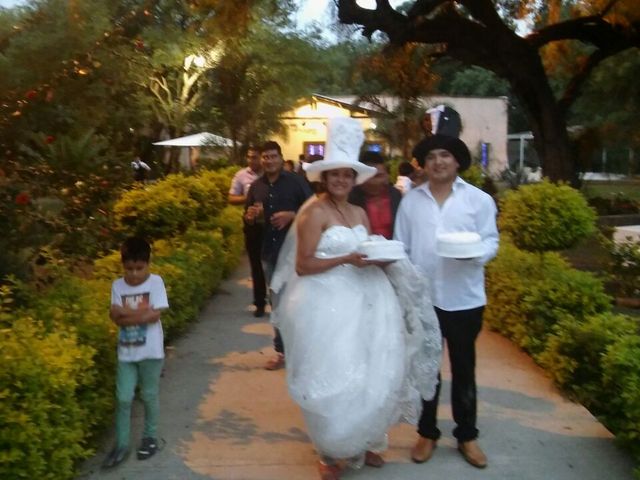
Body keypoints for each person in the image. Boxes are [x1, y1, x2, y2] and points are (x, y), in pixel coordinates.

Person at [271, 118, 441, 480]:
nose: (341, 181)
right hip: (325, 303)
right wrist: (346, 259)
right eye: (334, 175)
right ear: (324, 177)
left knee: (369, 372)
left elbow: (367, 249)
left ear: (354, 178)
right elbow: (303, 265)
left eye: (347, 175)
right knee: (334, 373)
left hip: (367, 299)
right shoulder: (314, 212)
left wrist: (378, 259)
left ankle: (364, 438)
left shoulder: (359, 211)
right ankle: (332, 450)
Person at [394, 134, 499, 469]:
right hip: (424, 299)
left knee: (464, 369)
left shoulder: (479, 200)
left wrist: (476, 255)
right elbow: (402, 248)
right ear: (423, 164)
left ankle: (466, 435)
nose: (438, 162)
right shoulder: (411, 202)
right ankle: (427, 432)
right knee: (427, 370)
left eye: (445, 155)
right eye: (432, 157)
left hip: (464, 299)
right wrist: (405, 291)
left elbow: (490, 240)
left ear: (457, 161)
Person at [102, 237, 169, 469]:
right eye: (129, 269)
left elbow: (154, 316)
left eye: (139, 268)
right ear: (123, 266)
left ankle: (150, 437)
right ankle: (121, 444)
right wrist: (140, 314)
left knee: (149, 395)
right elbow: (115, 319)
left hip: (151, 352)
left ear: (148, 264)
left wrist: (126, 315)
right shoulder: (117, 286)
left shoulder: (156, 283)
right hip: (127, 353)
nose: (134, 274)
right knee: (123, 398)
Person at [245, 141, 312, 370]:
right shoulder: (256, 187)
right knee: (277, 303)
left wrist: (292, 215)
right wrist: (251, 217)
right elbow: (248, 217)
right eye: (265, 157)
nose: (269, 160)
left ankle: (303, 351)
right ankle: (281, 353)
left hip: (296, 253)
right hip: (270, 253)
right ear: (261, 160)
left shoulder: (297, 182)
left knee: (301, 303)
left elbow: (314, 210)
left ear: (281, 158)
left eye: (273, 156)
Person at [228, 146, 267, 317]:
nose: (252, 160)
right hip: (252, 225)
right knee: (256, 266)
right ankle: (259, 303)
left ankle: (278, 302)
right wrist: (250, 196)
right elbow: (231, 197)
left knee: (274, 265)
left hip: (272, 225)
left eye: (256, 157)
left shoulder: (270, 175)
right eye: (250, 157)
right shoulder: (241, 175)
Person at [348, 151, 402, 239]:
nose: (383, 180)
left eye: (382, 175)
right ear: (361, 178)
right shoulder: (350, 198)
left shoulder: (395, 195)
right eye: (374, 176)